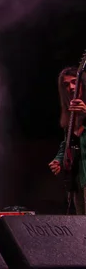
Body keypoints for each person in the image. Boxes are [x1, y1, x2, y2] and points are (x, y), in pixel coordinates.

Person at [48, 67, 86, 214]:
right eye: (66, 85)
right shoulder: (71, 116)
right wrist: (58, 159)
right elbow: (67, 142)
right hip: (78, 183)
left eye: (74, 82)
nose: (71, 87)